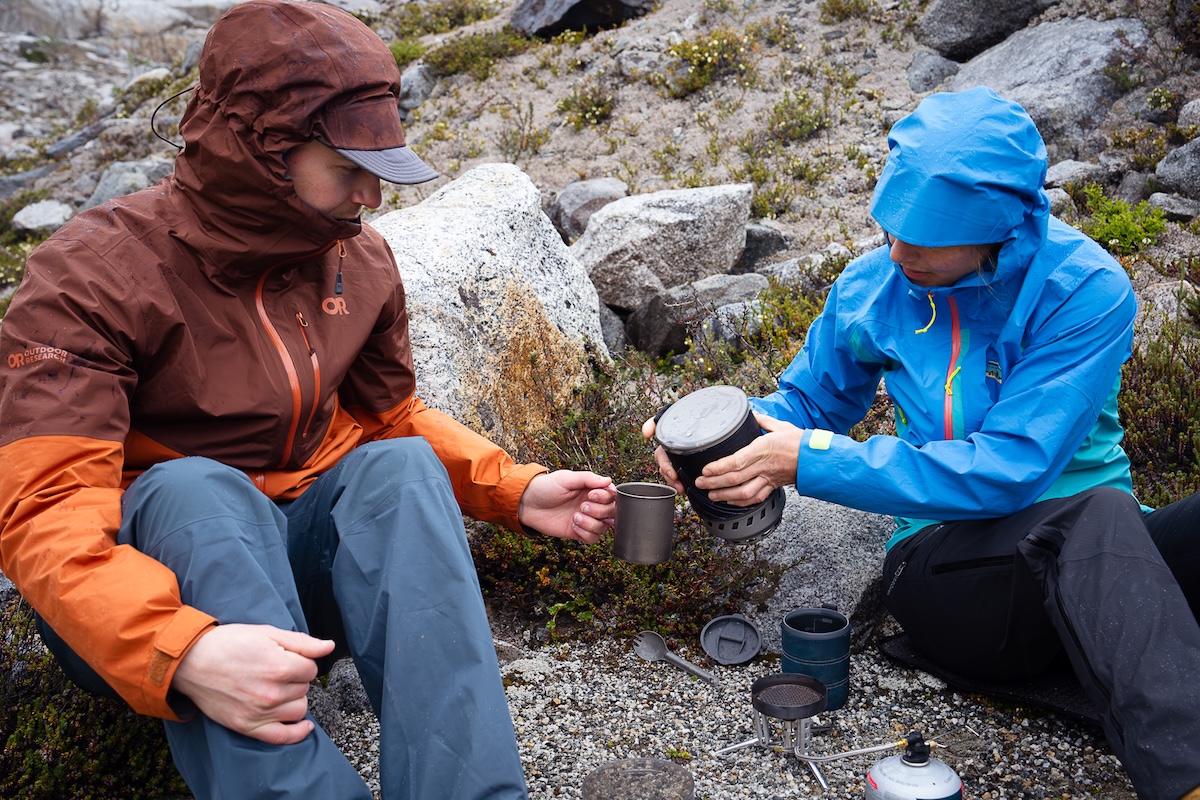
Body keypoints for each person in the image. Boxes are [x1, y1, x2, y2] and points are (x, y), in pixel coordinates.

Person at [0, 1, 615, 798]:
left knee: (398, 471)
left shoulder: (356, 263)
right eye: (350, 166)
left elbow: (391, 420)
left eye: (384, 164)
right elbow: (44, 511)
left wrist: (514, 488)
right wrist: (180, 649)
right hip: (142, 595)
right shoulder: (90, 276)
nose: (374, 196)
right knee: (194, 487)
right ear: (260, 149)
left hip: (296, 566)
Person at [645, 87, 1200, 800]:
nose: (900, 252)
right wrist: (716, 434)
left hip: (1105, 555)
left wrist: (808, 461)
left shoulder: (1083, 289)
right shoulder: (873, 287)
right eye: (891, 227)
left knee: (1098, 515)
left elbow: (1011, 470)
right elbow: (810, 403)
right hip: (951, 573)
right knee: (1093, 517)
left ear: (1001, 228)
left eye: (927, 237)